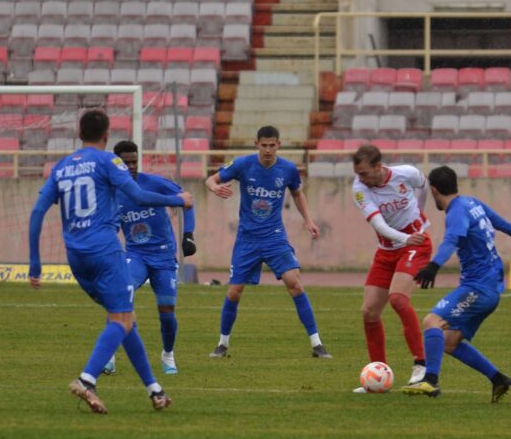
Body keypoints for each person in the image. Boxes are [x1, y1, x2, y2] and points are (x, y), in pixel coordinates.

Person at [28, 110, 193, 414]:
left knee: (125, 319)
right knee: (120, 319)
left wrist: (35, 264)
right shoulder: (108, 161)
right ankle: (87, 379)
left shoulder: (61, 167)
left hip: (76, 257)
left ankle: (155, 390)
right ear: (106, 136)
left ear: (79, 134)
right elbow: (137, 194)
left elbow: (38, 212)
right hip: (106, 252)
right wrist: (178, 200)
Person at [401, 166, 511, 401]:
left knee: (432, 321)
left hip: (478, 288)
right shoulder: (473, 203)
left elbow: (452, 239)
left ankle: (430, 380)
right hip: (489, 287)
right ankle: (498, 379)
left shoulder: (456, 212)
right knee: (448, 342)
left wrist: (433, 266)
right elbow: (503, 223)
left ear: (435, 190)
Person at [204, 125, 330, 359]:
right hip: (247, 239)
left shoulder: (288, 169)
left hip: (274, 237)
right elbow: (210, 179)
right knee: (234, 292)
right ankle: (222, 344)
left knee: (295, 283)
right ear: (257, 144)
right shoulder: (243, 164)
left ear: (278, 145)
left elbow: (297, 193)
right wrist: (215, 188)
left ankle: (317, 344)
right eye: (264, 145)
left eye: (273, 145)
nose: (268, 150)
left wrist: (308, 221)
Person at [101, 140, 197, 377]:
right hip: (136, 255)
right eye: (126, 163)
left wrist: (188, 235)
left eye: (134, 161)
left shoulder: (153, 183)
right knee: (120, 296)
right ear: (117, 163)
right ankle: (109, 355)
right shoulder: (112, 194)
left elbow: (187, 200)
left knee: (167, 312)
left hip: (164, 257)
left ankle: (167, 355)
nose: (131, 166)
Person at [351, 144, 431, 392]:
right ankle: (378, 373)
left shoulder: (406, 173)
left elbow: (424, 185)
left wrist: (419, 214)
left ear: (378, 166)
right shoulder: (360, 189)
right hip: (388, 250)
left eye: (364, 173)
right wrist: (405, 238)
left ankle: (422, 364)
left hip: (416, 245)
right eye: (358, 173)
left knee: (398, 299)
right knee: (369, 312)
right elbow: (378, 224)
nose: (360, 178)